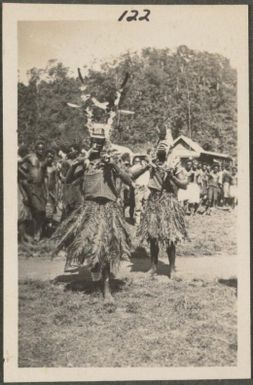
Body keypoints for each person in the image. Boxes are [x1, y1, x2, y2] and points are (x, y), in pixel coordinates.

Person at [53, 129, 134, 303]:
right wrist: (78, 162)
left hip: (108, 209)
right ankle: (97, 276)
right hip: (90, 209)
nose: (97, 144)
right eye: (94, 141)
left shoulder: (111, 162)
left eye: (100, 141)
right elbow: (67, 180)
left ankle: (106, 290)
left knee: (104, 248)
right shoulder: (85, 163)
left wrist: (112, 165)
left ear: (105, 144)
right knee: (92, 249)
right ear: (90, 143)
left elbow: (129, 181)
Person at [138, 140, 188, 278]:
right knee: (153, 237)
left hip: (168, 201)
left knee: (170, 237)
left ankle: (172, 269)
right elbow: (133, 174)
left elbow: (184, 184)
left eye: (164, 147)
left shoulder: (174, 165)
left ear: (168, 151)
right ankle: (153, 267)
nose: (161, 149)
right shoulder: (152, 163)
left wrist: (171, 176)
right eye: (159, 146)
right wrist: (146, 165)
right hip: (153, 201)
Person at [18, 140, 47, 241]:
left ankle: (36, 232)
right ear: (35, 149)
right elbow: (17, 164)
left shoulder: (45, 159)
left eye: (43, 149)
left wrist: (46, 190)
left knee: (42, 212)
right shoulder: (30, 156)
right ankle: (35, 234)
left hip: (40, 187)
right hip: (31, 186)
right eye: (39, 148)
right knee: (38, 209)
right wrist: (25, 175)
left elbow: (44, 176)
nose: (41, 150)